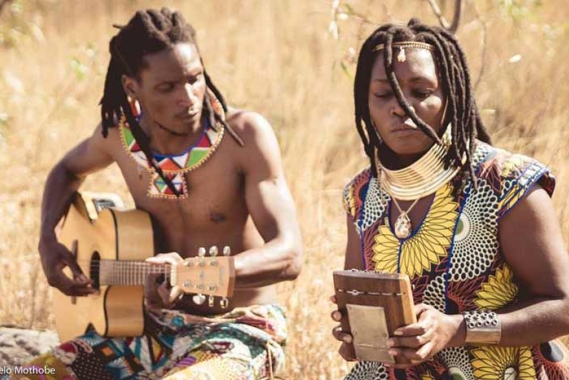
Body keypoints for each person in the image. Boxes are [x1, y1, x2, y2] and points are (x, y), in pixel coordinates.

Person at [27, 8, 302, 380]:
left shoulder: (244, 136)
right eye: (167, 87)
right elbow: (66, 170)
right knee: (28, 373)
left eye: (195, 79)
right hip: (144, 332)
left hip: (239, 329)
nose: (187, 97)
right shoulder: (118, 136)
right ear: (131, 88)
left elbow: (289, 255)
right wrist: (47, 240)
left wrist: (193, 273)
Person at [331, 18, 569, 379]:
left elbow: (563, 306)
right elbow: (365, 308)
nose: (401, 107)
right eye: (384, 94)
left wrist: (458, 328)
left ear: (451, 96)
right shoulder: (362, 194)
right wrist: (358, 335)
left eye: (421, 92)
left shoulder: (506, 183)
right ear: (365, 104)